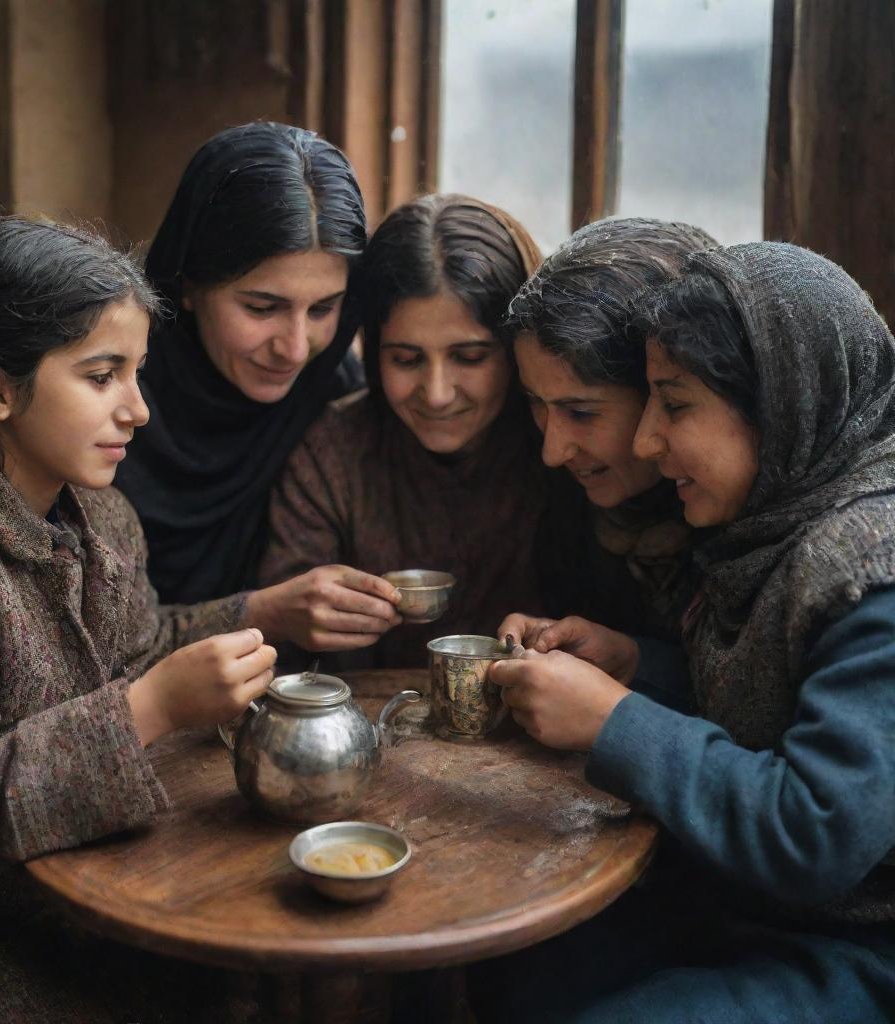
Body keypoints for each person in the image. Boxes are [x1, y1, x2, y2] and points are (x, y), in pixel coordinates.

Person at [0, 218, 279, 1022]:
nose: (139, 411)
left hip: (84, 898)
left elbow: (141, 649)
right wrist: (154, 708)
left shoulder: (101, 515)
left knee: (254, 985)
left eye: (138, 373)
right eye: (102, 376)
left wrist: (268, 610)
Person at [483, 242, 895, 1022]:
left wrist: (613, 721)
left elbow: (818, 833)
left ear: (779, 402)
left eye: (674, 405)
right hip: (747, 908)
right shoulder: (771, 528)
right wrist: (634, 665)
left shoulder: (875, 566)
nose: (645, 441)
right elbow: (779, 698)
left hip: (861, 949)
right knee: (524, 964)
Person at [115, 123, 408, 662]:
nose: (295, 349)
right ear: (189, 284)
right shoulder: (108, 397)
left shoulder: (337, 397)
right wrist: (263, 613)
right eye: (261, 307)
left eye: (323, 309)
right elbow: (80, 640)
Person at [258, 193, 548, 668]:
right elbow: (286, 644)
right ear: (372, 351)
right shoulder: (334, 453)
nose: (435, 394)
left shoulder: (563, 444)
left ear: (518, 350)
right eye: (406, 359)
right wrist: (308, 617)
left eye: (469, 357)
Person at [503, 217, 716, 642]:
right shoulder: (563, 505)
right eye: (534, 403)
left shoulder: (750, 534)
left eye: (581, 413)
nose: (553, 451)